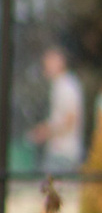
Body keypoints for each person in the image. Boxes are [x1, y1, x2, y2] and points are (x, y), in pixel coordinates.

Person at [34, 47, 83, 175]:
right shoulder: (60, 85)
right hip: (60, 152)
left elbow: (70, 119)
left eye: (49, 61)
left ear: (60, 61)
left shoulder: (66, 86)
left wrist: (46, 131)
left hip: (63, 152)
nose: (45, 66)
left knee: (49, 185)